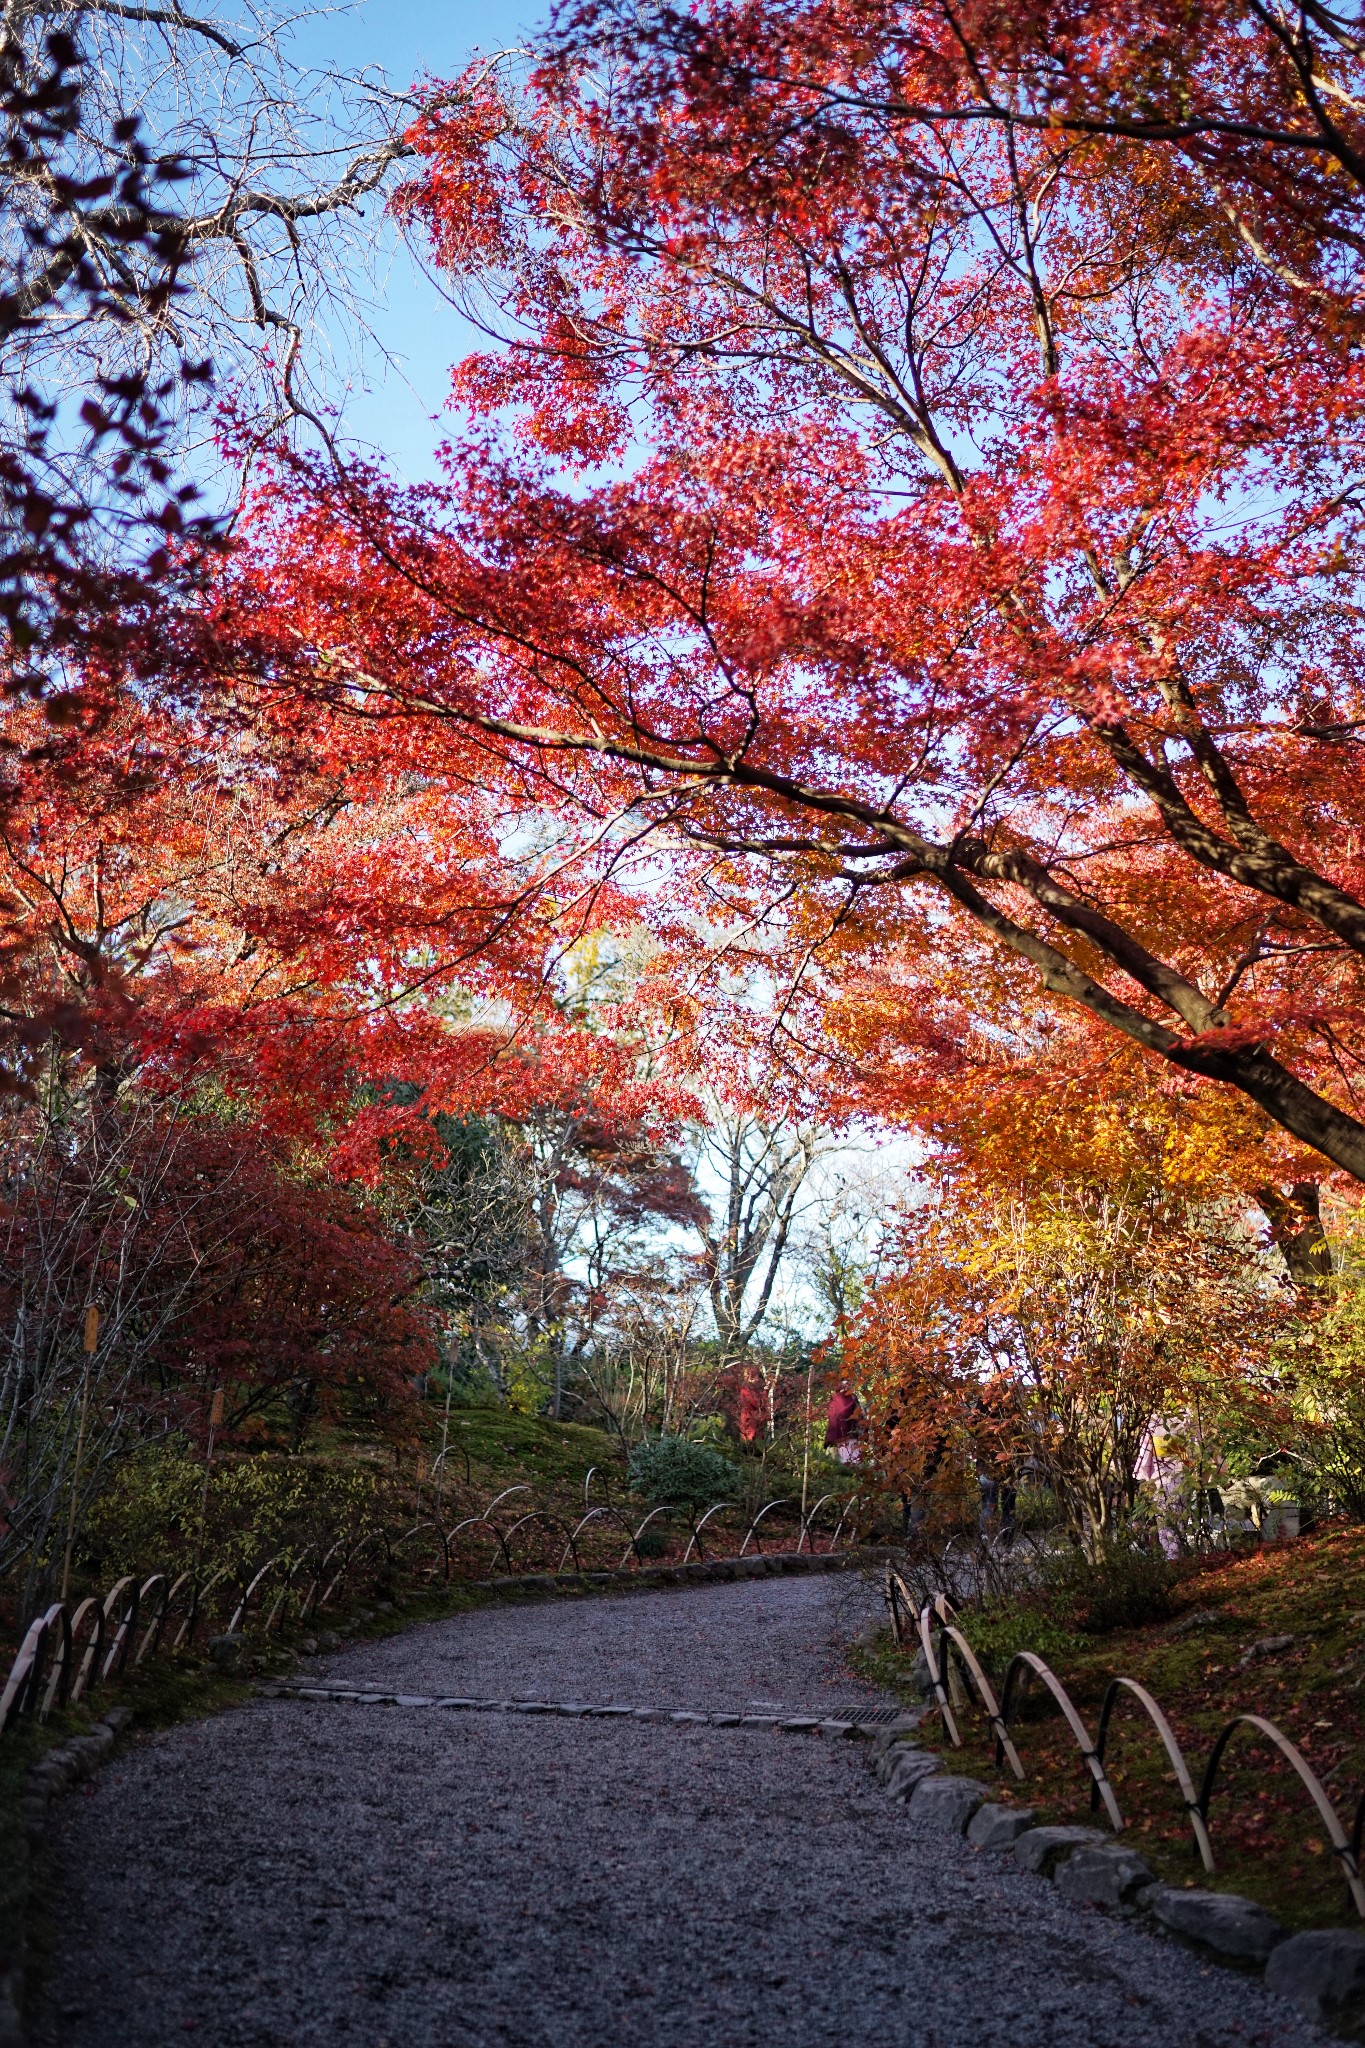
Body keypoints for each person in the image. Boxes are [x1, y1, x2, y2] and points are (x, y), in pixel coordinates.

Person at [825, 1382, 863, 1465]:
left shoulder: (834, 1400)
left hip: (838, 1437)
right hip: (849, 1436)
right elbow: (859, 1415)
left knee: (845, 1465)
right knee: (854, 1464)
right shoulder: (851, 1398)